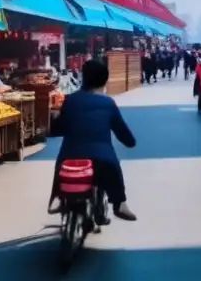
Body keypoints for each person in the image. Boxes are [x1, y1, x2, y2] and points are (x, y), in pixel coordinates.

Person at [50, 60, 137, 221]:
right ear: (105, 80)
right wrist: (130, 142)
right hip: (103, 158)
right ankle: (120, 204)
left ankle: (57, 197)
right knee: (114, 167)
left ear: (84, 77)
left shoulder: (70, 100)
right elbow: (122, 131)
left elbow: (59, 128)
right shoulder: (108, 103)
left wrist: (52, 126)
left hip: (70, 156)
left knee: (60, 166)